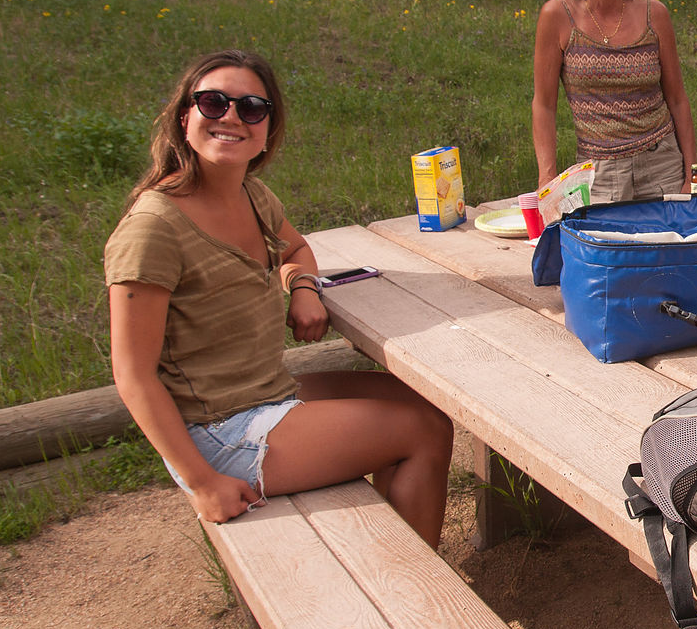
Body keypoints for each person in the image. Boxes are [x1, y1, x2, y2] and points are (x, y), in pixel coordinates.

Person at [106, 50, 453, 548]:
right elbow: (132, 376)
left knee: (423, 403)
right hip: (219, 430)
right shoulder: (153, 229)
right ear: (185, 118)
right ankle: (418, 592)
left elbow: (296, 248)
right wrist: (203, 484)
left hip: (265, 391)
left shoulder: (251, 195)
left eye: (251, 108)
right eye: (212, 103)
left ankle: (399, 553)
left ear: (268, 129)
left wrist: (304, 289)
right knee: (421, 432)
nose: (230, 116)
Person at [532, 0, 697, 203]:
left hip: (662, 167)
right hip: (598, 176)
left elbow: (677, 99)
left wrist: (692, 175)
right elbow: (544, 106)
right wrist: (548, 180)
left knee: (670, 249)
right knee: (606, 250)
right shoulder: (556, 16)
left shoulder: (655, 14)